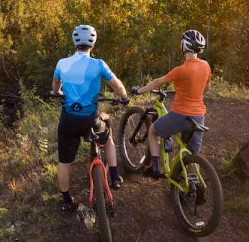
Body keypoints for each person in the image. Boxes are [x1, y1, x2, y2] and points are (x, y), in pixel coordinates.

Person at [53, 24, 130, 212]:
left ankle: (66, 200)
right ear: (92, 44)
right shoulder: (99, 64)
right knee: (108, 137)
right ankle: (114, 175)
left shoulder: (62, 63)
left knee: (64, 162)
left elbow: (55, 87)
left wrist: (60, 91)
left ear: (74, 42)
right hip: (90, 120)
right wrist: (124, 98)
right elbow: (116, 84)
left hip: (68, 121)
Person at [132, 29, 211, 179]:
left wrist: (140, 91)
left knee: (153, 131)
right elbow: (206, 88)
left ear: (185, 45)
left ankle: (154, 168)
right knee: (192, 154)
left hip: (180, 115)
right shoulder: (206, 66)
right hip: (199, 116)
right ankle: (193, 185)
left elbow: (157, 82)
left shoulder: (180, 70)